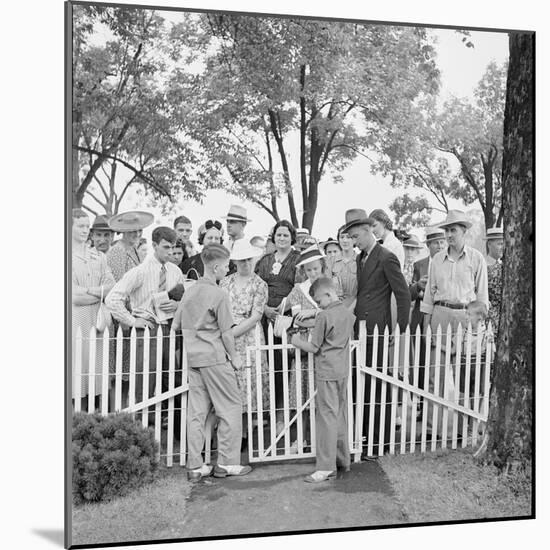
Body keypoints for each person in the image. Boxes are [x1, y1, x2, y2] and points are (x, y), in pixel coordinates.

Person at [173, 244, 252, 480]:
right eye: (227, 266)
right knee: (230, 407)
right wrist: (235, 358)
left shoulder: (189, 291)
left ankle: (195, 466)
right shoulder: (219, 294)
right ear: (216, 267)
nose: (228, 270)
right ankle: (227, 463)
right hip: (215, 357)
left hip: (194, 358)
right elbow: (227, 333)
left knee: (197, 413)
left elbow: (176, 324)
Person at [342, 208, 411, 456]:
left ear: (369, 230)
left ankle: (380, 442)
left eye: (357, 236)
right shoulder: (361, 259)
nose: (355, 241)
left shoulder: (386, 257)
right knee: (362, 385)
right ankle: (365, 437)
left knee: (378, 386)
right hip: (361, 330)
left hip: (378, 331)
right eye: (351, 237)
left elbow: (402, 294)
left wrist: (400, 329)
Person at [420, 210, 489, 437]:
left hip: (465, 318)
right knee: (435, 376)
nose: (449, 235)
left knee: (465, 379)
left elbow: (482, 297)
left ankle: (465, 430)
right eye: (447, 230)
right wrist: (426, 326)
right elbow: (429, 295)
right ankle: (431, 430)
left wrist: (476, 327)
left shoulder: (476, 258)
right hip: (440, 314)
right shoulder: (437, 260)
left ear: (464, 232)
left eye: (453, 230)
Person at [105, 226, 185, 414]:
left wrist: (177, 306)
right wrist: (133, 321)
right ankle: (142, 427)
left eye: (173, 247)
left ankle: (169, 425)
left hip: (169, 328)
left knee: (171, 379)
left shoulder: (175, 271)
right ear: (154, 245)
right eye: (166, 247)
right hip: (147, 330)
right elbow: (112, 299)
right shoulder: (140, 271)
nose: (171, 252)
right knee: (144, 382)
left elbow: (184, 300)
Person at [291, 277, 355, 482]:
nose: (318, 305)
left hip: (326, 371)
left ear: (328, 295)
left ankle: (326, 467)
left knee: (326, 417)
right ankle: (343, 459)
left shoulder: (323, 316)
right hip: (343, 370)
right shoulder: (347, 313)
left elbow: (314, 347)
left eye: (318, 301)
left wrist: (296, 341)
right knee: (340, 414)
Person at [220, 240, 268, 440]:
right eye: (241, 260)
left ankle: (247, 432)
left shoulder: (260, 284)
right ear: (235, 262)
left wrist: (232, 333)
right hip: (227, 330)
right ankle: (231, 431)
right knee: (230, 382)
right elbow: (220, 309)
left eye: (248, 260)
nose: (245, 264)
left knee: (250, 381)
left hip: (248, 335)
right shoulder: (225, 282)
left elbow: (256, 315)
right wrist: (226, 331)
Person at [72, 209, 115, 408]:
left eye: (86, 226)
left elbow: (111, 287)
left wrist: (87, 290)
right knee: (76, 372)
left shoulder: (98, 256)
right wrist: (98, 293)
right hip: (74, 321)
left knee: (97, 373)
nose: (84, 229)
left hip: (97, 323)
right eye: (80, 225)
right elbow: (72, 296)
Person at [106, 211, 154, 282]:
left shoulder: (133, 248)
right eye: (133, 231)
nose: (137, 234)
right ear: (124, 231)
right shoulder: (117, 251)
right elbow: (118, 282)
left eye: (140, 230)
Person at [330, 225, 358, 305]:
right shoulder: (331, 261)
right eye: (342, 237)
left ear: (354, 239)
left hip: (356, 306)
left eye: (348, 237)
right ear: (338, 240)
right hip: (336, 307)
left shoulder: (361, 261)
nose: (345, 240)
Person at [485, 227, 504, 334]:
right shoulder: (482, 265)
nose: (503, 247)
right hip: (489, 317)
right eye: (499, 244)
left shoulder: (506, 265)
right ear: (489, 244)